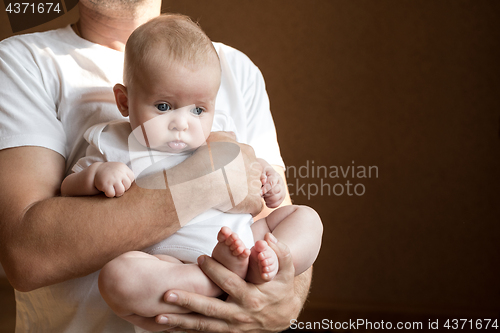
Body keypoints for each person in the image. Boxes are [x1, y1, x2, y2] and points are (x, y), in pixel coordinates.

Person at [0, 0, 314, 332]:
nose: (180, 123)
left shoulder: (237, 69)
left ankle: (226, 273)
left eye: (198, 110)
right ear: (123, 100)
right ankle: (208, 280)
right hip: (165, 262)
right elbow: (25, 256)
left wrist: (286, 304)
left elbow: (273, 213)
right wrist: (209, 180)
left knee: (305, 220)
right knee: (122, 277)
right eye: (163, 106)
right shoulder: (23, 62)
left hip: (237, 242)